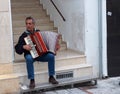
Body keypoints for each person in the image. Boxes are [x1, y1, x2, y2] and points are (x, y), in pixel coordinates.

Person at [15, 16, 59, 89]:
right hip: (31, 55)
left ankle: (51, 77)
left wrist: (54, 48)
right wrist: (24, 47)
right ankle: (32, 80)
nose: (28, 25)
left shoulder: (38, 32)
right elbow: (17, 48)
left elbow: (47, 43)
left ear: (33, 24)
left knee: (51, 56)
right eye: (26, 24)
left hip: (41, 55)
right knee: (28, 59)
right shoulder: (24, 35)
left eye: (30, 23)